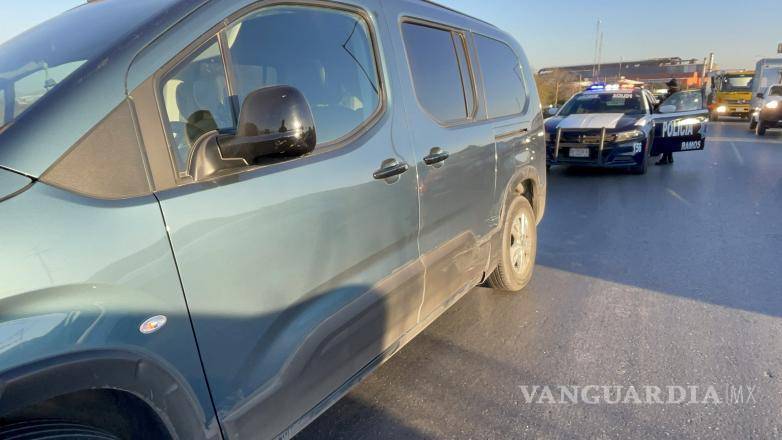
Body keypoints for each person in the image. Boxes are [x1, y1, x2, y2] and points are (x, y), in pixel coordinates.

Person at [656, 79, 680, 165]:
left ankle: (664, 159)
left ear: (672, 86)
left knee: (666, 139)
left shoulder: (673, 95)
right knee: (669, 138)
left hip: (669, 118)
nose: (668, 87)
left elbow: (667, 106)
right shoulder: (677, 94)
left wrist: (662, 100)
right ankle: (669, 157)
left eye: (669, 86)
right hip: (674, 119)